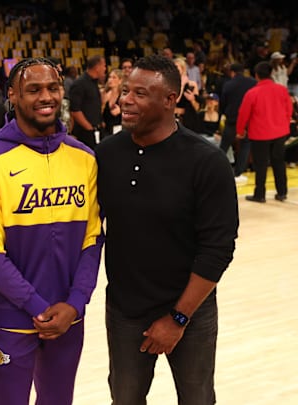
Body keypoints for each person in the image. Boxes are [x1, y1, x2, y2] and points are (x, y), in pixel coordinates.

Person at [95, 54, 238, 405]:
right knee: (125, 399)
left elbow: (217, 249)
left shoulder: (206, 162)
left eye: (140, 94)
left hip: (189, 309)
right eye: (126, 90)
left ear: (170, 100)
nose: (126, 99)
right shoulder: (105, 155)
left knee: (197, 398)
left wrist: (178, 317)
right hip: (125, 309)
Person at [0, 57, 103, 405]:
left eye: (53, 88)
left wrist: (74, 304)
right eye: (33, 89)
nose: (46, 97)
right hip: (12, 319)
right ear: (12, 95)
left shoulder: (85, 158)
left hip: (68, 317)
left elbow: (92, 240)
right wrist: (38, 307)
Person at [237, 61, 293, 203]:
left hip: (260, 133)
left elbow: (243, 114)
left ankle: (260, 194)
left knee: (260, 164)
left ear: (256, 75)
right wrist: (285, 124)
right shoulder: (282, 89)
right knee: (278, 162)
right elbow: (289, 109)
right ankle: (282, 192)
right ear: (271, 74)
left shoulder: (252, 93)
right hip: (280, 132)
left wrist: (240, 130)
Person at [219, 63, 256, 183]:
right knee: (245, 145)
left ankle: (217, 170)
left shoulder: (228, 84)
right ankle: (238, 172)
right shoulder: (252, 82)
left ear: (232, 72)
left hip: (232, 119)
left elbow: (223, 102)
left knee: (224, 146)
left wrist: (224, 113)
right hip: (248, 120)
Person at [69, 55, 106, 149]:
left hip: (96, 130)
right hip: (85, 133)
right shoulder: (79, 84)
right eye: (104, 66)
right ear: (97, 67)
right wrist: (89, 128)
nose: (105, 69)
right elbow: (75, 110)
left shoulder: (94, 83)